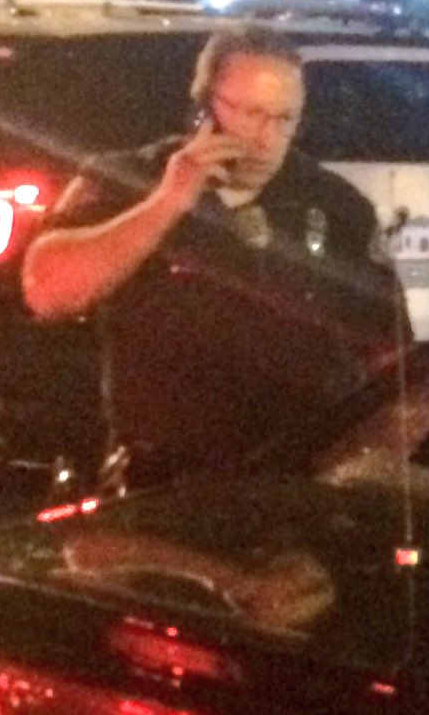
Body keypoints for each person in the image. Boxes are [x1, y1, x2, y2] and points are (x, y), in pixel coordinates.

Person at [22, 24, 408, 489]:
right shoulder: (127, 178)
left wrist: (371, 453)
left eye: (285, 119)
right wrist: (168, 203)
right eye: (250, 114)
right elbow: (48, 291)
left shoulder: (335, 205)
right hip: (159, 477)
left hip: (296, 475)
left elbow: (394, 351)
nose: (267, 138)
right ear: (203, 108)